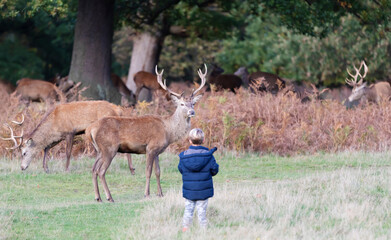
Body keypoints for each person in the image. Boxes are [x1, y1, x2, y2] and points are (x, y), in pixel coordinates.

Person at [178, 128, 219, 232]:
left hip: (189, 190)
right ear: (203, 140)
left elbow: (181, 170)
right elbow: (214, 170)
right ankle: (203, 231)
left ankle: (185, 229)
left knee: (188, 210)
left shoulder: (184, 157)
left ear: (190, 140)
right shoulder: (208, 156)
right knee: (202, 212)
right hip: (203, 190)